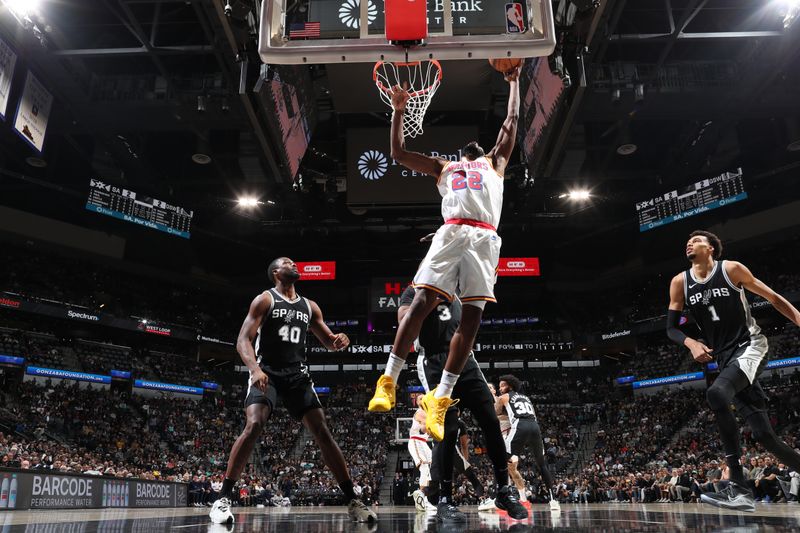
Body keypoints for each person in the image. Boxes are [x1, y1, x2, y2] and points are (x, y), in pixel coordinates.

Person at [368, 66, 521, 445]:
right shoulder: (444, 167)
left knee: (471, 319)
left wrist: (515, 83)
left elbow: (512, 121)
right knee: (421, 300)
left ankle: (441, 397)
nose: (473, 145)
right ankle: (388, 379)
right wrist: (399, 109)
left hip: (485, 239)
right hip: (451, 230)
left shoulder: (494, 164)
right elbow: (398, 153)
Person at [209, 257, 377, 525]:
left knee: (322, 430)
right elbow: (243, 339)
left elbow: (329, 342)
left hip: (297, 375)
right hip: (268, 372)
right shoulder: (265, 300)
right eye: (287, 262)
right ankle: (222, 498)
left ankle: (352, 501)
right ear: (276, 272)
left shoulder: (309, 306)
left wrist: (340, 340)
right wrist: (254, 370)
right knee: (254, 424)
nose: (294, 264)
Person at [666, 230, 800, 512]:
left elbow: (774, 298)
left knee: (716, 393)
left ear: (712, 249)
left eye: (698, 240)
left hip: (750, 345)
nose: (690, 243)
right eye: (687, 240)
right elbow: (671, 328)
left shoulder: (731, 269)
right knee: (764, 436)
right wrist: (691, 343)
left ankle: (738, 488)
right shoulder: (680, 282)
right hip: (725, 358)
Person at [400, 282, 527, 521]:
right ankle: (445, 500)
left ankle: (503, 490)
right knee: (447, 432)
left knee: (491, 421)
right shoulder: (414, 290)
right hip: (434, 362)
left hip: (466, 359)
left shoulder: (458, 289)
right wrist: (431, 300)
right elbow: (405, 323)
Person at [495, 374, 560, 512]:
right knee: (542, 465)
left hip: (520, 426)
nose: (500, 388)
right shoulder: (526, 398)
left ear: (510, 386)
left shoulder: (504, 397)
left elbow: (495, 413)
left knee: (501, 460)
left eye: (502, 385)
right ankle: (554, 500)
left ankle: (501, 497)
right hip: (535, 427)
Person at [408, 408, 437, 512]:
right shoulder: (420, 412)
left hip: (424, 443)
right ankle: (422, 499)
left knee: (431, 470)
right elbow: (425, 428)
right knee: (424, 468)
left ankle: (425, 498)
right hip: (415, 441)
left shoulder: (430, 412)